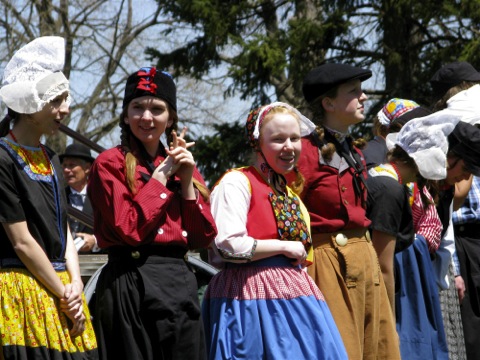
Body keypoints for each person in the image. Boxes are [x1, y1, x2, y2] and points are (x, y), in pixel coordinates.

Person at [87, 66, 217, 360]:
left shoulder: (186, 165)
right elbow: (128, 229)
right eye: (138, 108)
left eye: (157, 109)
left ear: (170, 118)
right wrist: (160, 179)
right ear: (125, 115)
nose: (147, 117)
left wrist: (186, 182)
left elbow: (202, 236)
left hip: (179, 282)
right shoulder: (110, 164)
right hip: (130, 281)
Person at [202, 102, 348, 360]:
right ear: (258, 143)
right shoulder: (237, 182)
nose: (289, 146)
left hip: (297, 300)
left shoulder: (291, 195)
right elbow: (228, 246)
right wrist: (283, 246)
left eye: (294, 138)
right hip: (248, 298)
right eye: (278, 139)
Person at [0, 36, 98, 358]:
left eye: (66, 99)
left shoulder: (50, 158)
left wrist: (76, 284)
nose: (65, 109)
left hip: (62, 291)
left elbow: (63, 227)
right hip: (23, 289)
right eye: (56, 100)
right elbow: (22, 242)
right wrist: (65, 296)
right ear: (29, 106)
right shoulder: (2, 158)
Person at [296, 63, 400, 359]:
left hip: (365, 261)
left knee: (378, 349)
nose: (364, 97)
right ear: (328, 103)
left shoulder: (352, 151)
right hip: (328, 266)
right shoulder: (302, 152)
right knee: (342, 350)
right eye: (354, 91)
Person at [368, 110, 452, 359]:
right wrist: (389, 320)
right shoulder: (390, 189)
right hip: (387, 290)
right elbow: (383, 264)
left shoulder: (382, 178)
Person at [60, 143, 99, 253]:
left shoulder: (102, 197)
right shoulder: (55, 197)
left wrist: (95, 242)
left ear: (87, 168)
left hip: (97, 262)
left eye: (72, 165)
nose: (67, 170)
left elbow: (114, 231)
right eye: (64, 165)